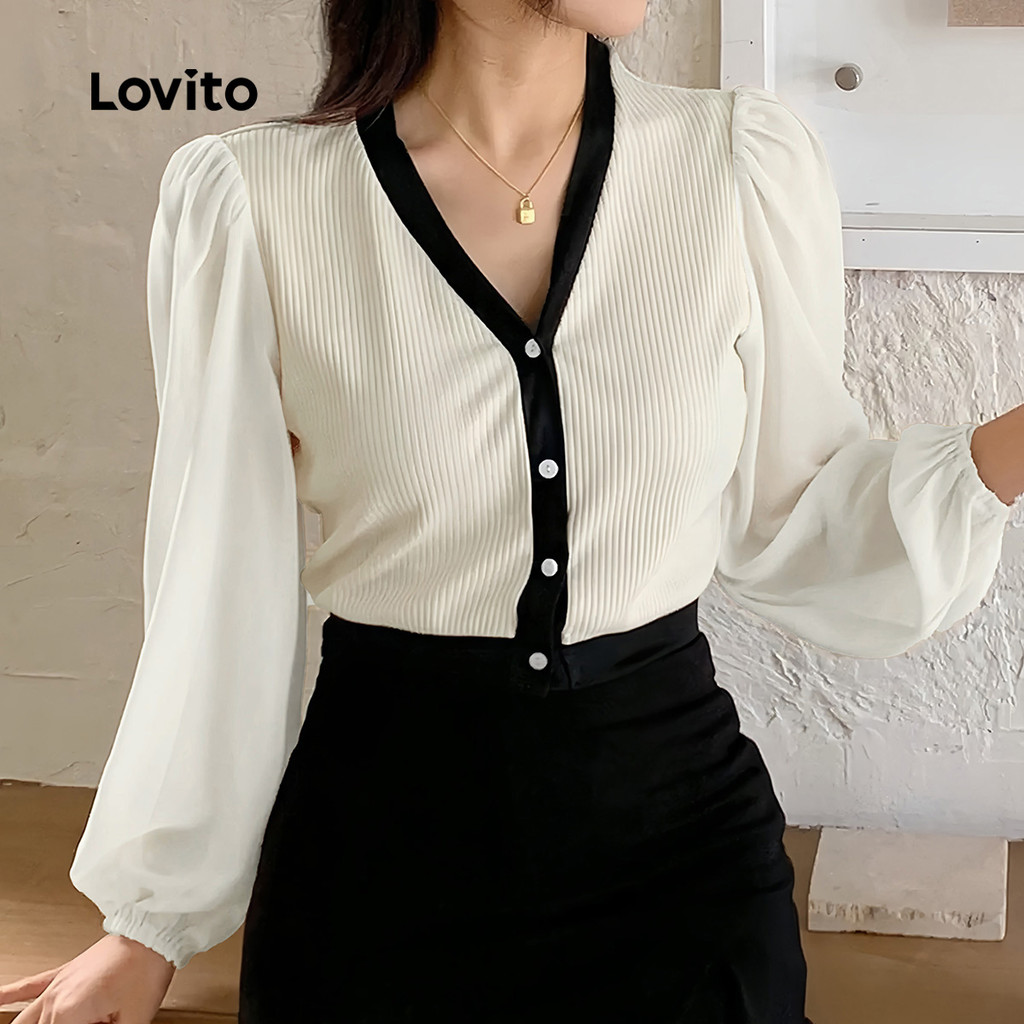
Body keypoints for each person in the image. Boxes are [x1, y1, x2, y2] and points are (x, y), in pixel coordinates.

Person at [4, 1, 1021, 1022]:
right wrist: (150, 922)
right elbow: (217, 578)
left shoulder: (737, 166)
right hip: (376, 871)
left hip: (679, 867)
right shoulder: (256, 199)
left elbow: (801, 517)